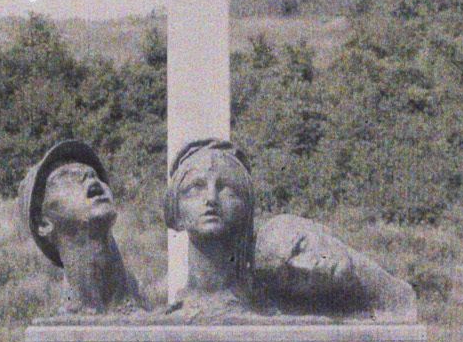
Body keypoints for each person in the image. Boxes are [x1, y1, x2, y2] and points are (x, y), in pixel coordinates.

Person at [18, 138, 147, 315]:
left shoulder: (146, 304)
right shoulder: (59, 335)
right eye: (65, 178)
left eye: (94, 173)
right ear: (43, 223)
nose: (89, 176)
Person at [163, 137, 269, 320]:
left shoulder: (269, 308)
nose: (211, 198)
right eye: (196, 187)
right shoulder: (158, 312)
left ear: (246, 208)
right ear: (175, 211)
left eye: (226, 188)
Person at [252, 212, 418, 320]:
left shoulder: (402, 299)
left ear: (318, 227)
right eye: (291, 277)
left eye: (301, 246)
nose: (307, 267)